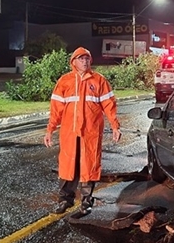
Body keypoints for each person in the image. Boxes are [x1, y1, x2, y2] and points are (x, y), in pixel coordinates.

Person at [44, 47, 121, 215]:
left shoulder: (99, 81)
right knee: (68, 164)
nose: (84, 62)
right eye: (81, 59)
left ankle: (86, 201)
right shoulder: (65, 81)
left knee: (89, 165)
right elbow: (56, 109)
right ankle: (65, 199)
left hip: (91, 133)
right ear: (74, 62)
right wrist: (50, 130)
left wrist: (115, 126)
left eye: (87, 58)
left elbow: (109, 106)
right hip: (69, 133)